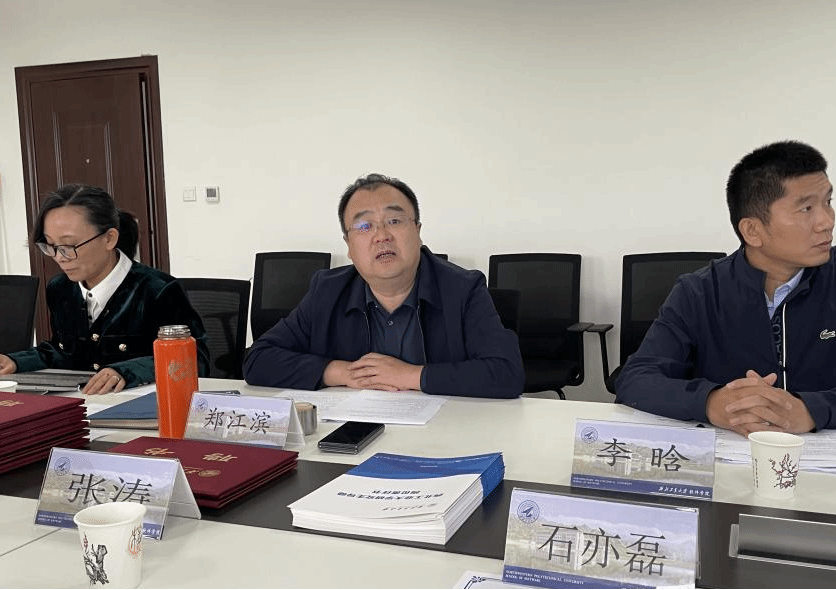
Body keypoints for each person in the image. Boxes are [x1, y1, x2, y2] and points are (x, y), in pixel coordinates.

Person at [615, 140, 835, 435]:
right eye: (806, 208)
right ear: (753, 231)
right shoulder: (699, 292)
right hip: (733, 452)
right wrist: (711, 402)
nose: (826, 221)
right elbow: (635, 379)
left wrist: (813, 410)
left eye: (827, 202)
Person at [244, 173, 524, 398]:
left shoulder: (463, 289)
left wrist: (408, 375)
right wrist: (342, 373)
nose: (381, 236)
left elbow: (506, 373)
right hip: (356, 433)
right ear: (349, 246)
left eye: (394, 220)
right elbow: (258, 360)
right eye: (364, 226)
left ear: (418, 232)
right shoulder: (327, 292)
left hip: (443, 433)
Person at [0, 184, 210, 394]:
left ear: (109, 238)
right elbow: (65, 351)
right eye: (50, 246)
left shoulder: (158, 290)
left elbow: (196, 360)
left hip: (139, 404)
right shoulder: (60, 289)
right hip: (82, 401)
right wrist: (16, 361)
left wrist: (127, 372)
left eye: (69, 246)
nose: (59, 257)